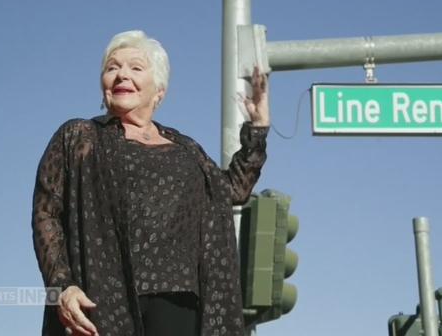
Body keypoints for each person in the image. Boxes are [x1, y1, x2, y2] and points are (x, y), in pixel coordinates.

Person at [32, 30, 270, 336]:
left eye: (135, 67)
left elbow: (233, 189)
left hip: (180, 304)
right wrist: (62, 286)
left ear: (159, 89)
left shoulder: (186, 149)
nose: (121, 75)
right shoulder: (79, 136)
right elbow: (46, 213)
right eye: (112, 67)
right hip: (103, 301)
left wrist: (259, 128)